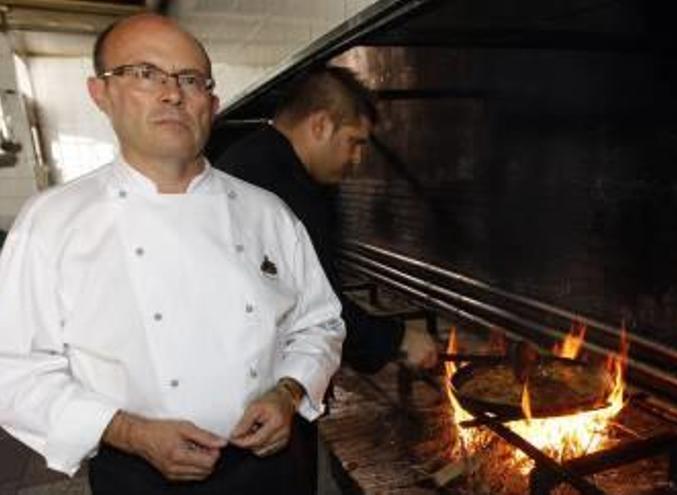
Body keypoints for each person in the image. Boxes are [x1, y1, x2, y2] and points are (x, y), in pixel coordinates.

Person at [0, 14, 344, 495]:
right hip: (140, 478)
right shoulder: (52, 223)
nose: (172, 94)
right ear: (101, 93)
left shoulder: (268, 212)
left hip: (275, 468)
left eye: (190, 80)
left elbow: (321, 323)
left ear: (212, 102)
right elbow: (13, 368)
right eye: (144, 74)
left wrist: (289, 393)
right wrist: (131, 433)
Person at [216, 66, 437, 374]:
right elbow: (315, 309)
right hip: (258, 383)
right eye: (354, 142)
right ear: (320, 125)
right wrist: (399, 340)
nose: (357, 159)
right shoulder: (282, 190)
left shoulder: (254, 159)